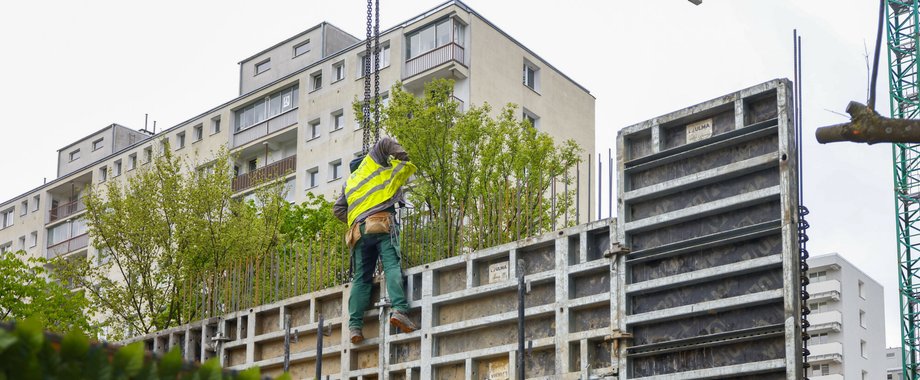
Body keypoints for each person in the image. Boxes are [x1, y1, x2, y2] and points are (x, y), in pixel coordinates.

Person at [333, 136, 419, 344]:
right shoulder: (372, 162)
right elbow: (385, 142)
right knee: (391, 264)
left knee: (361, 277)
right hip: (381, 222)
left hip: (358, 232)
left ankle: (355, 326)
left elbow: (337, 210)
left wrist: (357, 217)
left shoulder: (350, 182)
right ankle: (399, 309)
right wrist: (402, 157)